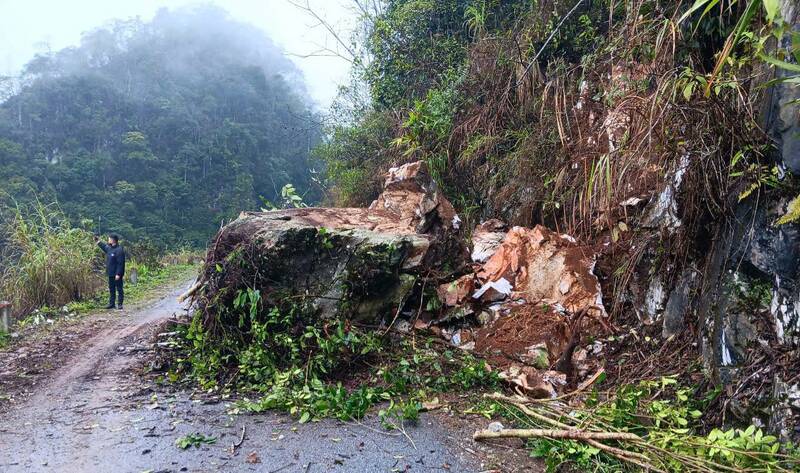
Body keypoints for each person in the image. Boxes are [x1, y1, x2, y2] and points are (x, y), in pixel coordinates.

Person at [94, 233, 126, 310]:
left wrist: (118, 274)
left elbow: (120, 263)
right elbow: (104, 247)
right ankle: (112, 304)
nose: (108, 240)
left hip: (117, 273)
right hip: (110, 273)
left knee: (119, 288)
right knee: (111, 289)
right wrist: (97, 241)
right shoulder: (110, 248)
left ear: (113, 240)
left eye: (109, 239)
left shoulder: (119, 250)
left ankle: (120, 304)